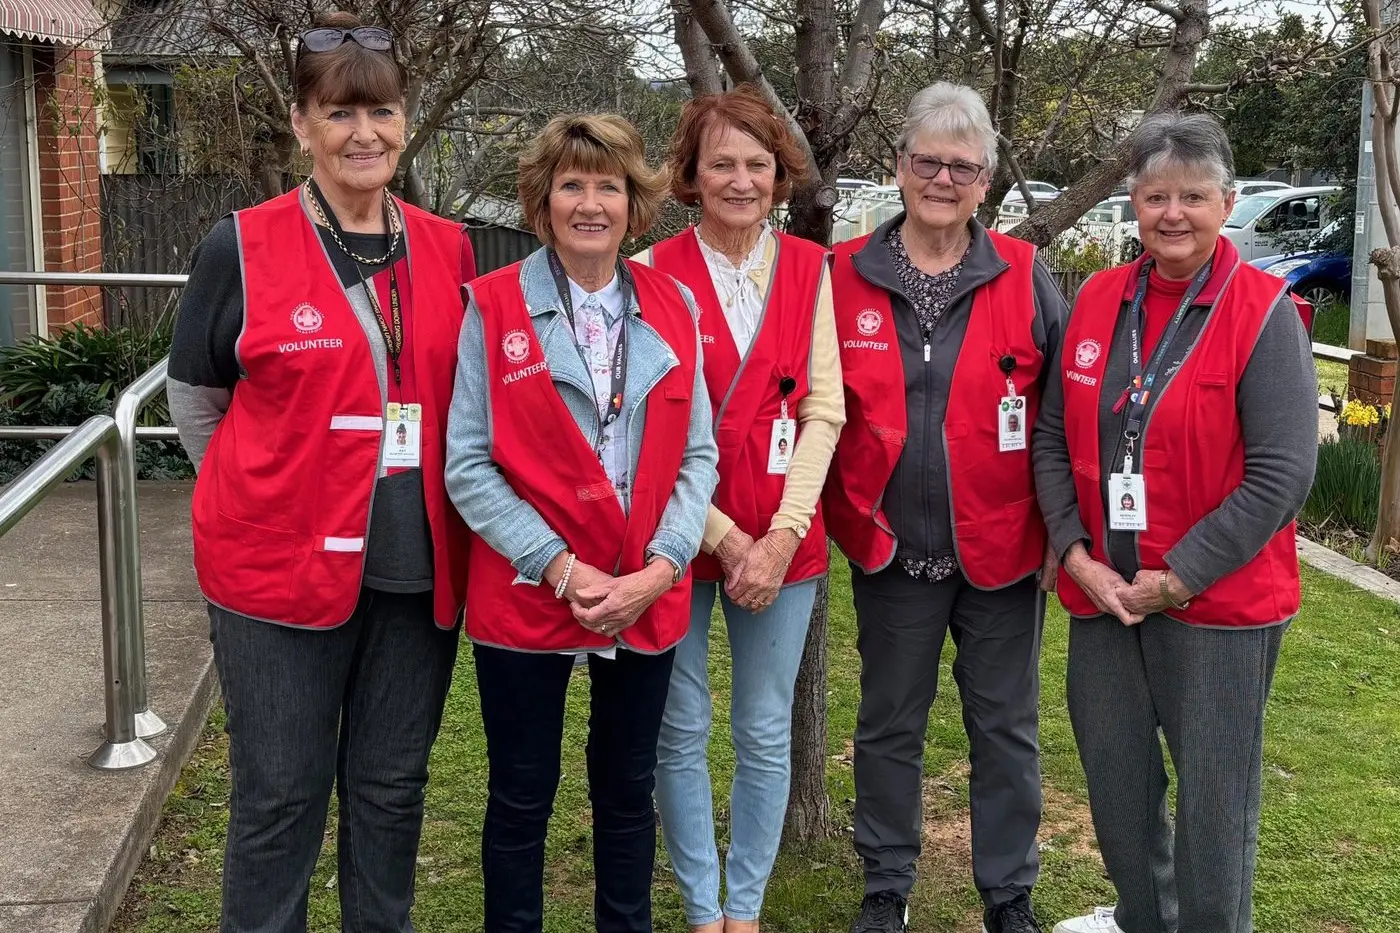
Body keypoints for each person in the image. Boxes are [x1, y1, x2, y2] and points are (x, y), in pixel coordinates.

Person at [165, 12, 476, 932]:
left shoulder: (446, 245)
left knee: (390, 790)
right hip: (277, 576)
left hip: (413, 572)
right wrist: (271, 489)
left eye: (380, 111)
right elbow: (196, 400)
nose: (363, 133)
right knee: (280, 797)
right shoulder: (242, 247)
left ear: (406, 119)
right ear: (302, 124)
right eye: (339, 113)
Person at [1035, 113, 1316, 933]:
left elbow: (1282, 475)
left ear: (1226, 202)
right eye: (1156, 194)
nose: (1173, 213)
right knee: (1117, 783)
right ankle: (1141, 918)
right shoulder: (1095, 299)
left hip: (1216, 606)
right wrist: (1073, 551)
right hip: (1105, 597)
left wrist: (1179, 576)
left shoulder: (1263, 313)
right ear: (1133, 201)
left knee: (1214, 807)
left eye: (1193, 196)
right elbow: (1053, 434)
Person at [444, 113, 719, 933]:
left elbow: (698, 456)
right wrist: (560, 565)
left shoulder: (674, 304)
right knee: (522, 791)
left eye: (608, 185)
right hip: (531, 590)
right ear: (543, 201)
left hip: (643, 590)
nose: (590, 203)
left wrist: (663, 566)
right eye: (572, 184)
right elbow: (467, 462)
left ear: (635, 204)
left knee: (628, 791)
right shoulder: (492, 309)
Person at [822, 82, 1067, 933]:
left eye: (962, 166)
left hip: (1001, 550)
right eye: (927, 160)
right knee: (889, 726)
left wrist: (1060, 530)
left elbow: (1061, 414)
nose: (942, 178)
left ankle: (1008, 893)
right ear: (898, 168)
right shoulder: (843, 276)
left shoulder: (1026, 274)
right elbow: (816, 410)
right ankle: (885, 885)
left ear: (986, 181)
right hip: (892, 549)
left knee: (1005, 730)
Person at [636, 85, 845, 933]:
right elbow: (649, 424)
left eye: (757, 163)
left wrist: (781, 535)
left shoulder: (810, 269)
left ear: (779, 174)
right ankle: (699, 909)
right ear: (691, 174)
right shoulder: (652, 276)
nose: (741, 179)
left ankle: (745, 911)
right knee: (678, 726)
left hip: (784, 540)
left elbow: (822, 409)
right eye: (721, 162)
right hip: (679, 541)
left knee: (763, 730)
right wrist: (723, 538)